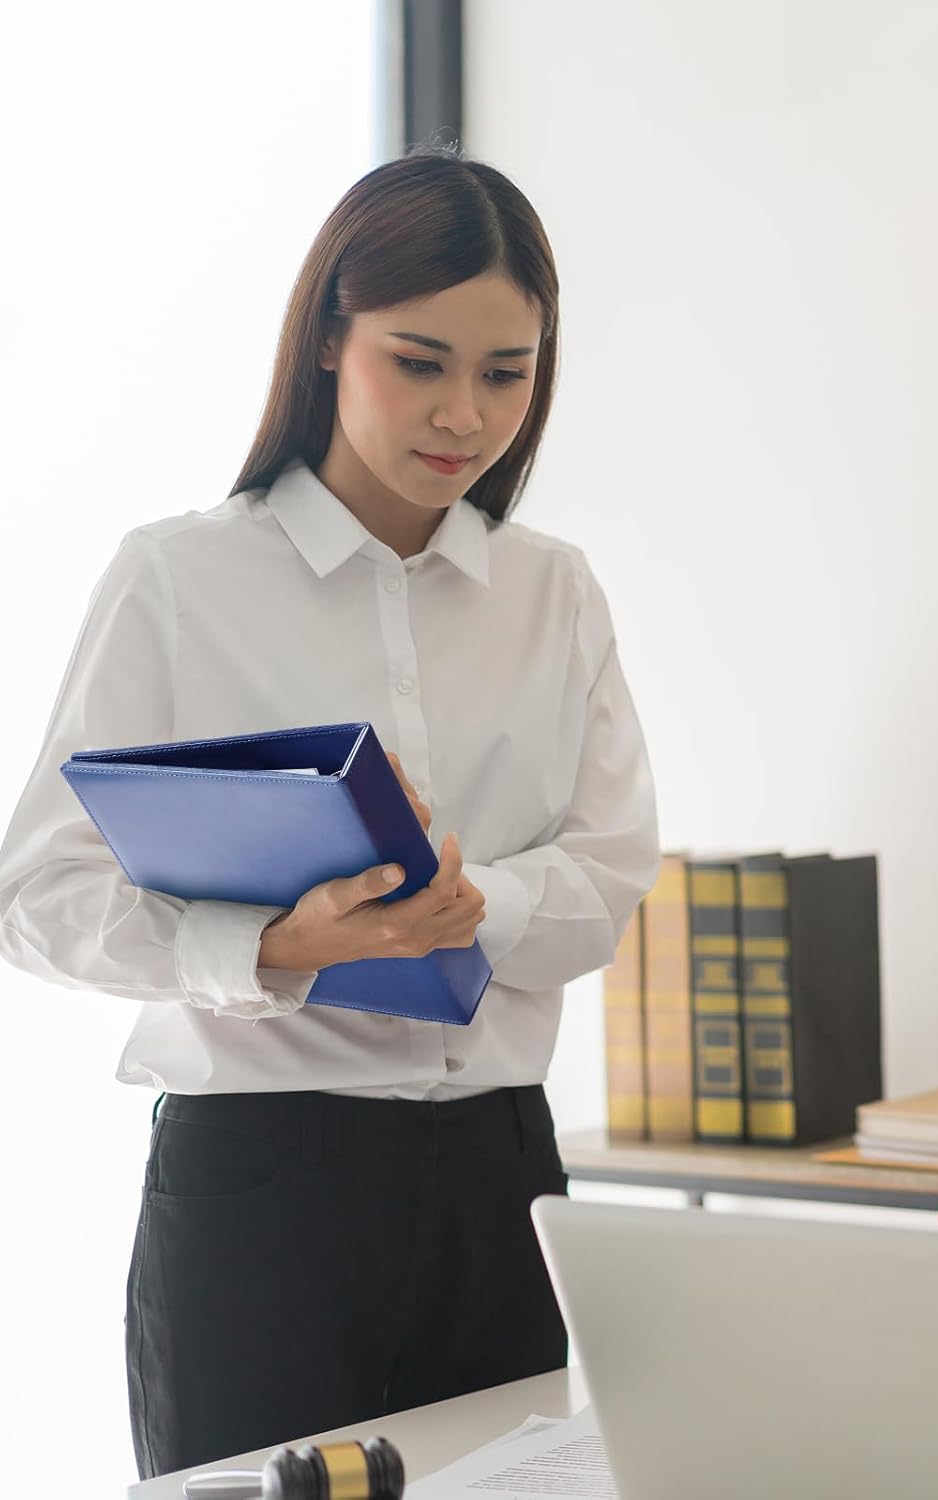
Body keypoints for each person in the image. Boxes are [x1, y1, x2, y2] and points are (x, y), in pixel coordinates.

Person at [0, 147, 659, 1478]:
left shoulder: (555, 593)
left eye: (507, 372)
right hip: (263, 1184)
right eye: (419, 362)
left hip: (502, 1176)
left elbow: (609, 877)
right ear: (325, 340)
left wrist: (473, 903)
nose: (465, 415)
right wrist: (265, 949)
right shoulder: (178, 581)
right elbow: (38, 899)